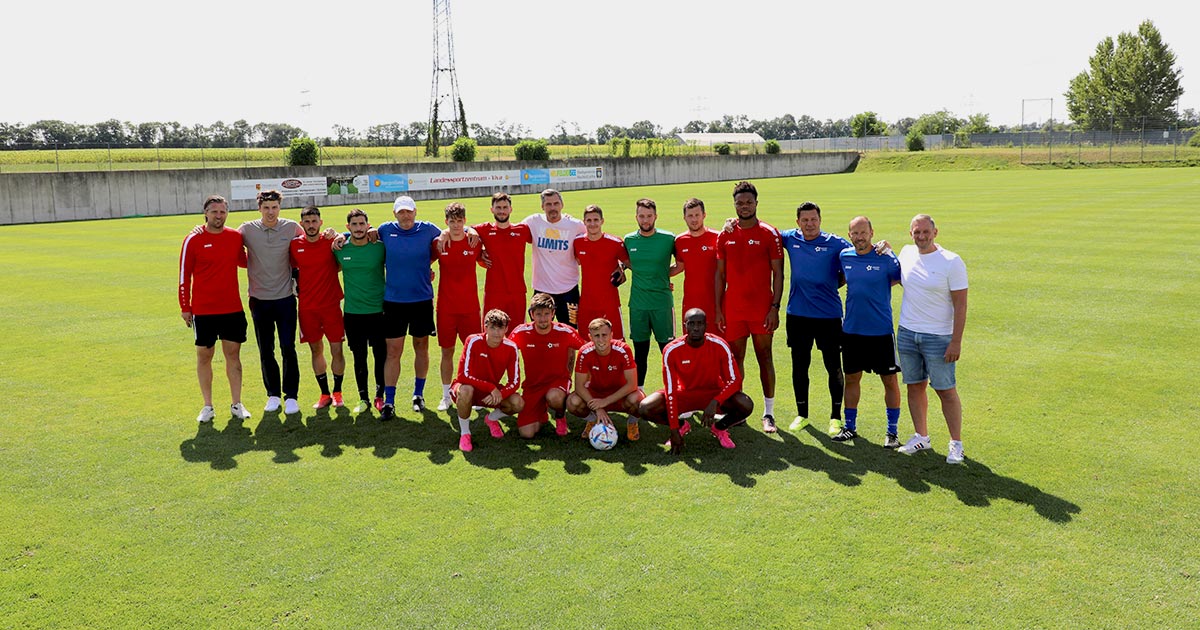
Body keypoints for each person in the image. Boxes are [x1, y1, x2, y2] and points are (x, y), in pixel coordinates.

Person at [896, 214, 969, 464]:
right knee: (914, 386)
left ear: (935, 232)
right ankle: (921, 437)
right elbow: (892, 274)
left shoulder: (951, 261)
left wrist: (956, 341)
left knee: (945, 390)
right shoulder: (905, 253)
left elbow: (961, 305)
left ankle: (955, 444)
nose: (921, 236)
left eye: (926, 232)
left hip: (939, 337)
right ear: (911, 234)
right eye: (917, 232)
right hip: (907, 333)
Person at [714, 181, 784, 432]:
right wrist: (719, 310)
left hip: (761, 308)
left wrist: (774, 307)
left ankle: (769, 413)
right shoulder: (726, 234)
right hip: (733, 309)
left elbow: (779, 273)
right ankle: (739, 410)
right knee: (736, 360)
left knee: (764, 357)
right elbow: (720, 276)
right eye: (740, 203)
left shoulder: (769, 233)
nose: (744, 206)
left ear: (756, 203)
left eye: (748, 202)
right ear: (734, 205)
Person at [780, 201, 852, 436]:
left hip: (828, 316)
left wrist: (882, 247)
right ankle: (802, 414)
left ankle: (835, 417)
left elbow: (859, 255)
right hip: (797, 315)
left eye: (813, 219)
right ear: (797, 222)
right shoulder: (790, 239)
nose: (809, 224)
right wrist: (731, 224)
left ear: (820, 220)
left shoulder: (837, 244)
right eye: (804, 220)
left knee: (833, 366)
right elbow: (762, 232)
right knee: (800, 366)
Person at [639, 309, 754, 454]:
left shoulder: (720, 345)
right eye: (691, 324)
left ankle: (719, 428)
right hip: (684, 394)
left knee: (746, 404)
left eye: (700, 324)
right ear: (685, 325)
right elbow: (671, 391)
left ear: (706, 325)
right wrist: (674, 429)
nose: (696, 328)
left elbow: (734, 380)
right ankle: (682, 426)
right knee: (645, 407)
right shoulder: (671, 350)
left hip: (712, 394)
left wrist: (716, 401)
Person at [178, 194, 251, 423]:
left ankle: (237, 404)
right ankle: (207, 406)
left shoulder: (235, 237)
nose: (218, 216)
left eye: (222, 212)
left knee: (233, 356)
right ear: (206, 214)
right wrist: (185, 306)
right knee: (204, 356)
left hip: (231, 308)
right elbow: (184, 275)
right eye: (214, 212)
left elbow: (244, 261)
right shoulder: (193, 239)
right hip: (203, 310)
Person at [834, 216, 902, 448]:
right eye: (855, 233)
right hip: (852, 330)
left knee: (890, 380)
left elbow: (900, 279)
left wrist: (890, 250)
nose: (860, 237)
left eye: (864, 232)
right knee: (852, 378)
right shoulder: (845, 256)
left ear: (872, 232)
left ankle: (892, 433)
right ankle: (850, 427)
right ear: (849, 234)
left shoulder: (886, 258)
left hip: (881, 331)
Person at [240, 189, 309, 414]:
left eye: (275, 207)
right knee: (265, 350)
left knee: (288, 348)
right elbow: (225, 238)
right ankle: (273, 395)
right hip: (259, 301)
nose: (271, 212)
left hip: (286, 299)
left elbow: (311, 238)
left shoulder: (291, 227)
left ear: (280, 208)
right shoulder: (248, 229)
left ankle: (291, 396)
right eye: (266, 208)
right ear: (259, 208)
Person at [377, 195, 443, 420]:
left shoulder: (428, 229)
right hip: (394, 302)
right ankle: (389, 401)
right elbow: (359, 234)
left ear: (415, 212)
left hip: (422, 301)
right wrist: (338, 235)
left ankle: (418, 394)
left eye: (409, 211)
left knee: (421, 347)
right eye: (401, 212)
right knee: (393, 352)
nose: (405, 216)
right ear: (394, 213)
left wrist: (471, 233)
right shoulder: (385, 230)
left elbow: (452, 233)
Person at [289, 206, 346, 409]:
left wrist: (338, 234)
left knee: (337, 349)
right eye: (307, 222)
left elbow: (352, 237)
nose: (311, 225)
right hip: (307, 308)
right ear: (301, 224)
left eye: (314, 221)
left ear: (320, 223)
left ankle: (338, 392)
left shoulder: (331, 241)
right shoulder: (294, 246)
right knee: (315, 350)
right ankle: (324, 394)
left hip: (331, 306)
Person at [508, 294, 586, 438]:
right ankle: (541, 412)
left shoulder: (565, 331)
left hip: (558, 382)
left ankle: (560, 415)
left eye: (546, 314)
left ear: (553, 313)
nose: (543, 318)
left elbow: (587, 349)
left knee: (554, 397)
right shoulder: (521, 332)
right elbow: (504, 350)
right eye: (538, 314)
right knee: (527, 434)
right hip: (533, 386)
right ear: (531, 314)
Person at [623, 198, 679, 388]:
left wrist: (663, 275)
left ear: (656, 216)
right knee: (640, 353)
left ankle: (674, 391)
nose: (645, 220)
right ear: (636, 217)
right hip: (638, 306)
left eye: (649, 216)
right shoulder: (629, 240)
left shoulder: (668, 238)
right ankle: (639, 393)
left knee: (668, 351)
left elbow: (681, 264)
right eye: (641, 216)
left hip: (662, 304)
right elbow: (626, 263)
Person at [336, 209, 387, 414]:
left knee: (380, 355)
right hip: (353, 313)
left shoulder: (379, 248)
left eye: (362, 224)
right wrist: (341, 236)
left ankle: (379, 396)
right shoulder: (339, 248)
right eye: (354, 225)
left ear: (368, 225)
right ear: (348, 227)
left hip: (379, 311)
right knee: (359, 357)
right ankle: (363, 397)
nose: (358, 228)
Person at [434, 202, 483, 412]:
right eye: (451, 221)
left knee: (474, 351)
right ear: (446, 222)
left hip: (470, 308)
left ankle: (477, 393)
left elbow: (486, 251)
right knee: (447, 352)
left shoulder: (474, 242)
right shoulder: (438, 243)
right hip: (445, 308)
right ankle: (446, 395)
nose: (455, 225)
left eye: (459, 221)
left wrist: (471, 230)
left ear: (465, 221)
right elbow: (422, 262)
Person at [451, 309, 523, 452]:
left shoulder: (511, 347)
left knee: (518, 403)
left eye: (500, 328)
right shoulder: (473, 340)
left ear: (506, 329)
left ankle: (491, 419)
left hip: (491, 395)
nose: (496, 333)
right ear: (485, 327)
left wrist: (500, 394)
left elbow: (515, 381)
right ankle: (465, 433)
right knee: (466, 390)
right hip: (468, 388)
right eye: (492, 328)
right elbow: (462, 376)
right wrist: (490, 387)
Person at [567, 318, 643, 441]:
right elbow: (579, 386)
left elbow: (632, 384)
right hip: (595, 396)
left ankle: (632, 423)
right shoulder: (584, 352)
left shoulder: (623, 349)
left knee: (638, 400)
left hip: (620, 396)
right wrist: (598, 408)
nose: (601, 340)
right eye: (596, 336)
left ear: (611, 335)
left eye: (604, 335)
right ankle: (592, 421)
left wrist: (605, 401)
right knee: (572, 402)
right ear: (590, 337)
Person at [522, 188, 586, 327]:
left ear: (562, 205)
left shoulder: (575, 225)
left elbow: (594, 239)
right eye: (548, 204)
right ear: (542, 207)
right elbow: (511, 231)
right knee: (539, 331)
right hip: (542, 290)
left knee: (571, 331)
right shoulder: (533, 221)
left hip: (569, 291)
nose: (553, 208)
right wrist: (470, 230)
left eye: (556, 203)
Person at [473, 192, 532, 326]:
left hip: (517, 292)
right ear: (492, 209)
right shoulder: (484, 229)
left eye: (505, 207)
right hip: (494, 292)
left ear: (511, 209)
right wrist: (480, 252)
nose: (502, 211)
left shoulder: (522, 230)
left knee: (516, 334)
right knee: (490, 331)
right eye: (498, 207)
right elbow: (462, 230)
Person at [572, 204, 628, 340]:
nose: (592, 224)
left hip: (610, 304)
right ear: (584, 221)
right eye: (589, 220)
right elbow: (576, 261)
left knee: (616, 342)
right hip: (586, 303)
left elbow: (629, 263)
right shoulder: (577, 242)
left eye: (596, 220)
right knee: (586, 343)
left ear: (602, 221)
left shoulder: (615, 243)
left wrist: (621, 268)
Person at [673, 198, 720, 327]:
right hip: (690, 302)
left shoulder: (717, 237)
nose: (694, 219)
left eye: (697, 215)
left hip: (715, 302)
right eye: (690, 216)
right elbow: (679, 267)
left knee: (717, 341)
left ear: (704, 215)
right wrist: (657, 275)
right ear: (684, 218)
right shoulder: (680, 241)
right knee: (692, 341)